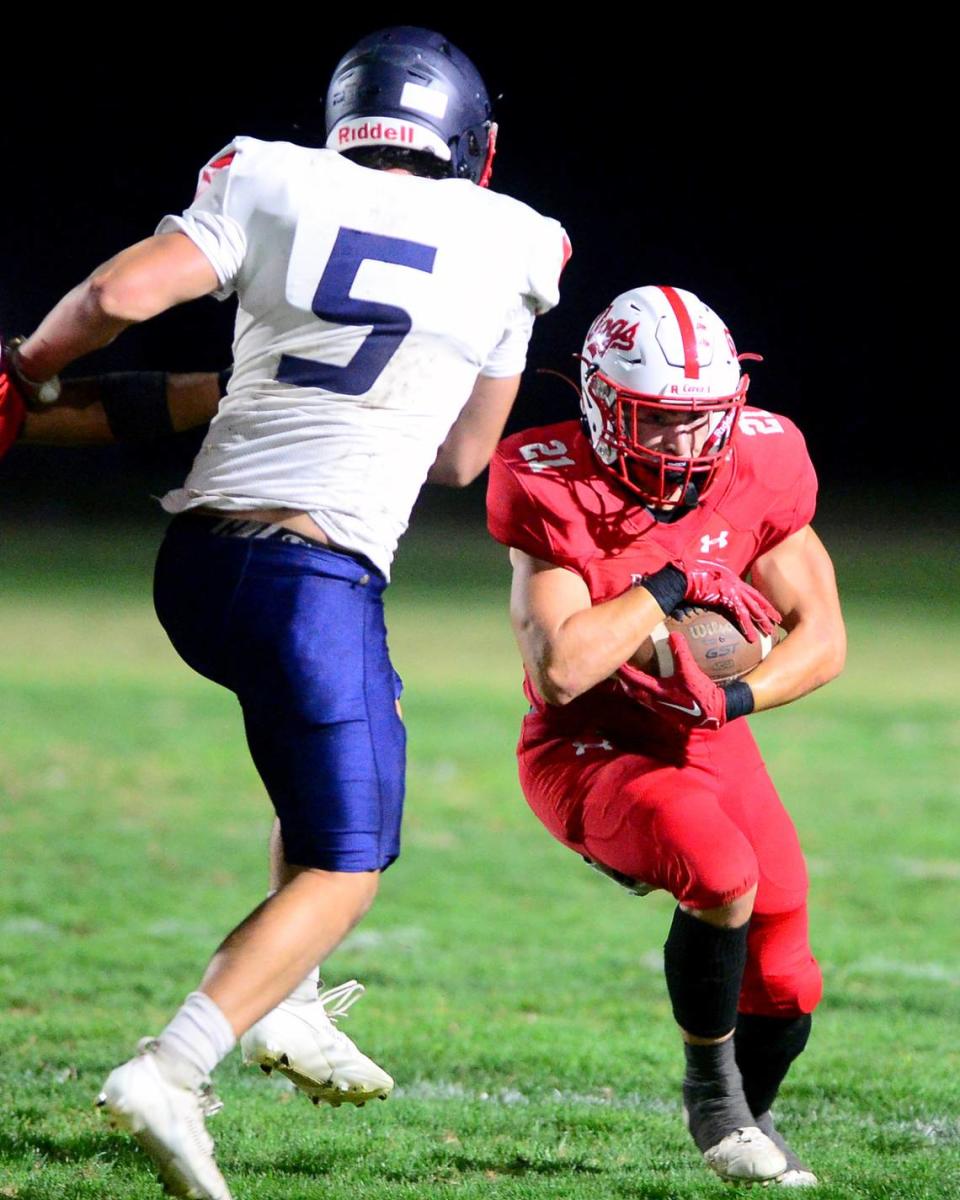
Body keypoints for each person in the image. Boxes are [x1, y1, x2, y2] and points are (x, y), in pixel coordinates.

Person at [4, 26, 569, 1200]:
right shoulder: (518, 242)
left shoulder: (269, 175)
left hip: (200, 568)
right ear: (474, 144)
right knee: (348, 863)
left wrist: (27, 372)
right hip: (312, 578)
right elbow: (465, 457)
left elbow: (115, 294)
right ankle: (176, 1063)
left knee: (344, 753)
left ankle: (293, 1003)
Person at [486, 285, 845, 1187]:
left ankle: (748, 1124)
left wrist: (734, 703)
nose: (685, 446)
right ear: (604, 410)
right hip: (589, 744)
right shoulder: (545, 479)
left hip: (705, 732)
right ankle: (711, 1101)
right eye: (657, 422)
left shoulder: (762, 462)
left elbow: (826, 637)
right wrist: (673, 582)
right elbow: (562, 670)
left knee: (791, 979)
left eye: (700, 421)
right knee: (719, 870)